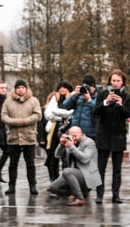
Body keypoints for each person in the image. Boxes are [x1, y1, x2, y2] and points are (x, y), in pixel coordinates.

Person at [92, 69, 130, 204]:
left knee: (117, 168)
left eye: (118, 81)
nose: (115, 83)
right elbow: (95, 112)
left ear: (122, 82)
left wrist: (120, 105)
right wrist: (105, 102)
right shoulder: (102, 94)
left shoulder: (126, 97)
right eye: (113, 80)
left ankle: (116, 195)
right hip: (104, 134)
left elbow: (127, 115)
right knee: (100, 167)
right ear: (109, 81)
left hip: (119, 135)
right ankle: (99, 195)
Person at [0, 79, 42, 195]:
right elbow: (3, 116)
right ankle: (12, 186)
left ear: (26, 89)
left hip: (29, 137)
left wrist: (24, 121)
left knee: (30, 164)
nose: (20, 89)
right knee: (13, 164)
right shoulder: (8, 102)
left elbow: (38, 115)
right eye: (18, 87)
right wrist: (15, 122)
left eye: (23, 87)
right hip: (13, 138)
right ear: (15, 89)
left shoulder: (33, 101)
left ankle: (32, 186)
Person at [48, 126, 101, 206]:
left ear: (81, 134)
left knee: (66, 171)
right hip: (72, 175)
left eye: (75, 136)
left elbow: (85, 159)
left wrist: (72, 147)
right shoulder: (70, 141)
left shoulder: (90, 143)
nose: (73, 138)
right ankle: (81, 193)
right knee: (53, 188)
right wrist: (61, 144)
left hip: (86, 175)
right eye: (71, 136)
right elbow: (57, 155)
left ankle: (79, 198)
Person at [42, 81, 74, 181]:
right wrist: (63, 116)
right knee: (53, 156)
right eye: (60, 87)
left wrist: (60, 114)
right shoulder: (55, 98)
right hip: (55, 130)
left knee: (67, 158)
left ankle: (66, 181)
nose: (62, 89)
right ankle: (54, 180)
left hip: (69, 130)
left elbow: (73, 114)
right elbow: (48, 114)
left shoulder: (73, 99)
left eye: (64, 87)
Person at [61, 74, 98, 140]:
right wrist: (75, 95)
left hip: (89, 133)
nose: (87, 89)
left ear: (94, 87)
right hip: (75, 132)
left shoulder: (98, 96)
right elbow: (65, 106)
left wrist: (89, 100)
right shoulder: (78, 96)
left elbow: (97, 110)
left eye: (89, 86)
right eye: (86, 86)